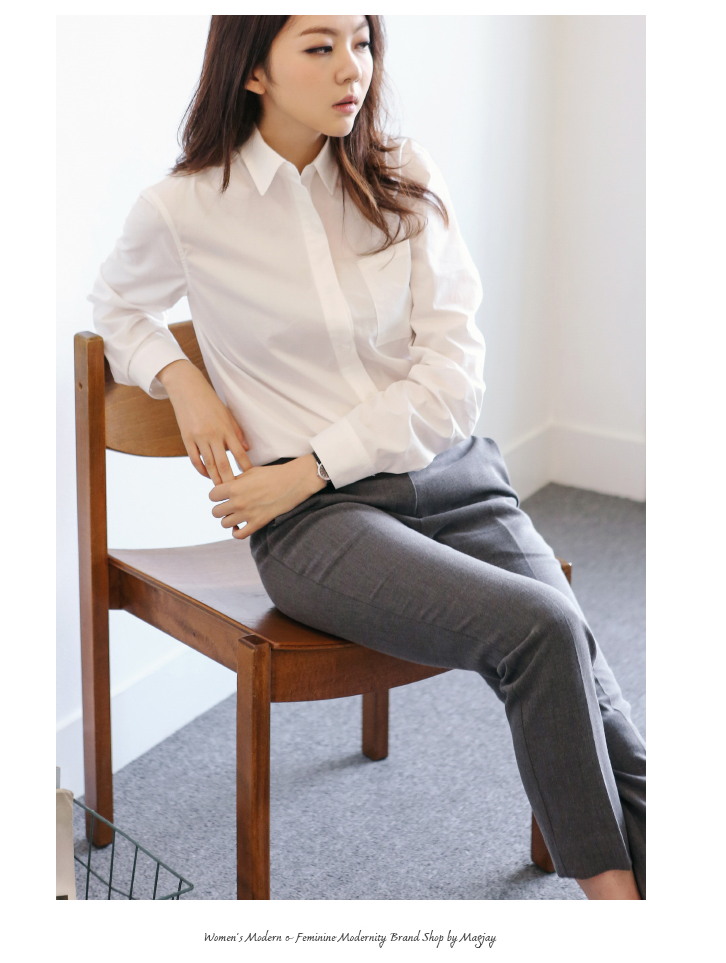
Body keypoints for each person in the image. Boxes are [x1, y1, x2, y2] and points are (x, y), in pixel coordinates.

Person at [89, 15, 645, 900]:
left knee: (594, 683)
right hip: (314, 525)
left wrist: (310, 463)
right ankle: (620, 911)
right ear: (254, 71)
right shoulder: (187, 207)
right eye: (320, 48)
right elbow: (116, 307)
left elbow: (454, 380)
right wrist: (181, 379)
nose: (354, 68)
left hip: (448, 476)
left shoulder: (402, 174)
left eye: (362, 41)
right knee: (544, 628)